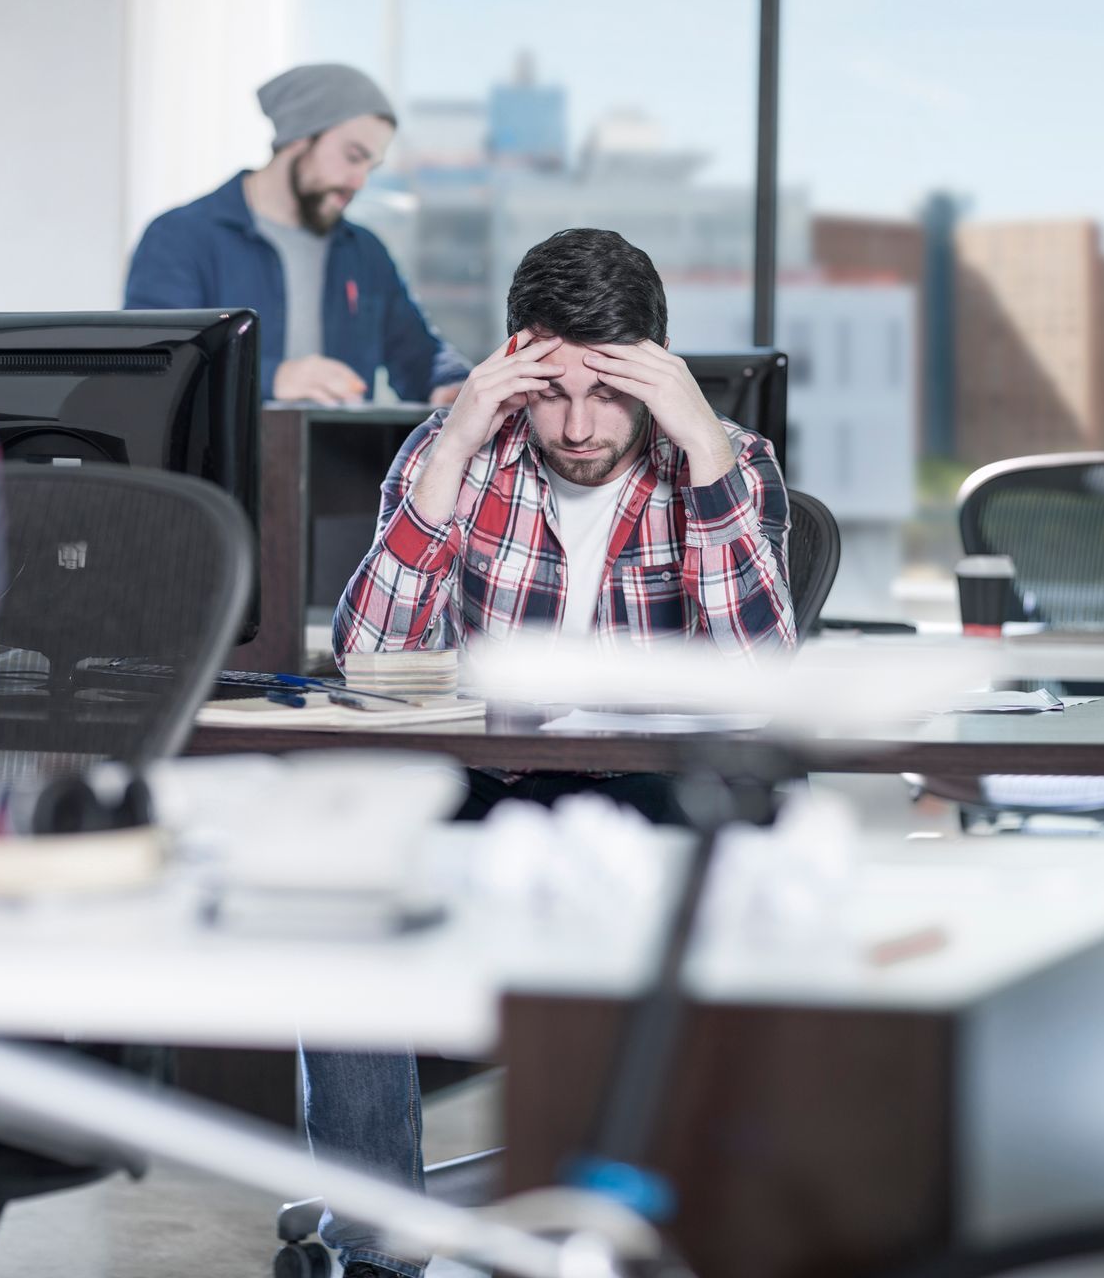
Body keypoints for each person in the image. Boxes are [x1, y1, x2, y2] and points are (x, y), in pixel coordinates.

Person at [312, 227, 795, 1278]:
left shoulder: (732, 465)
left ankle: (660, 1231)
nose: (578, 428)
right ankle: (375, 1245)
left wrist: (704, 446)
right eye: (552, 392)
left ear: (658, 371)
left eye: (611, 393)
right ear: (514, 367)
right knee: (337, 902)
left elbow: (759, 679)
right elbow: (373, 659)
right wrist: (452, 440)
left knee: (710, 911)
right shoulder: (463, 452)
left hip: (656, 791)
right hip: (487, 781)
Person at [124, 63, 468, 408]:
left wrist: (454, 387)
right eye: (353, 157)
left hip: (339, 459)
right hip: (217, 461)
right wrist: (273, 377)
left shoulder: (364, 253)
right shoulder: (180, 237)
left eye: (370, 167)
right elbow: (156, 363)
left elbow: (422, 356)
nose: (359, 181)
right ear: (299, 137)